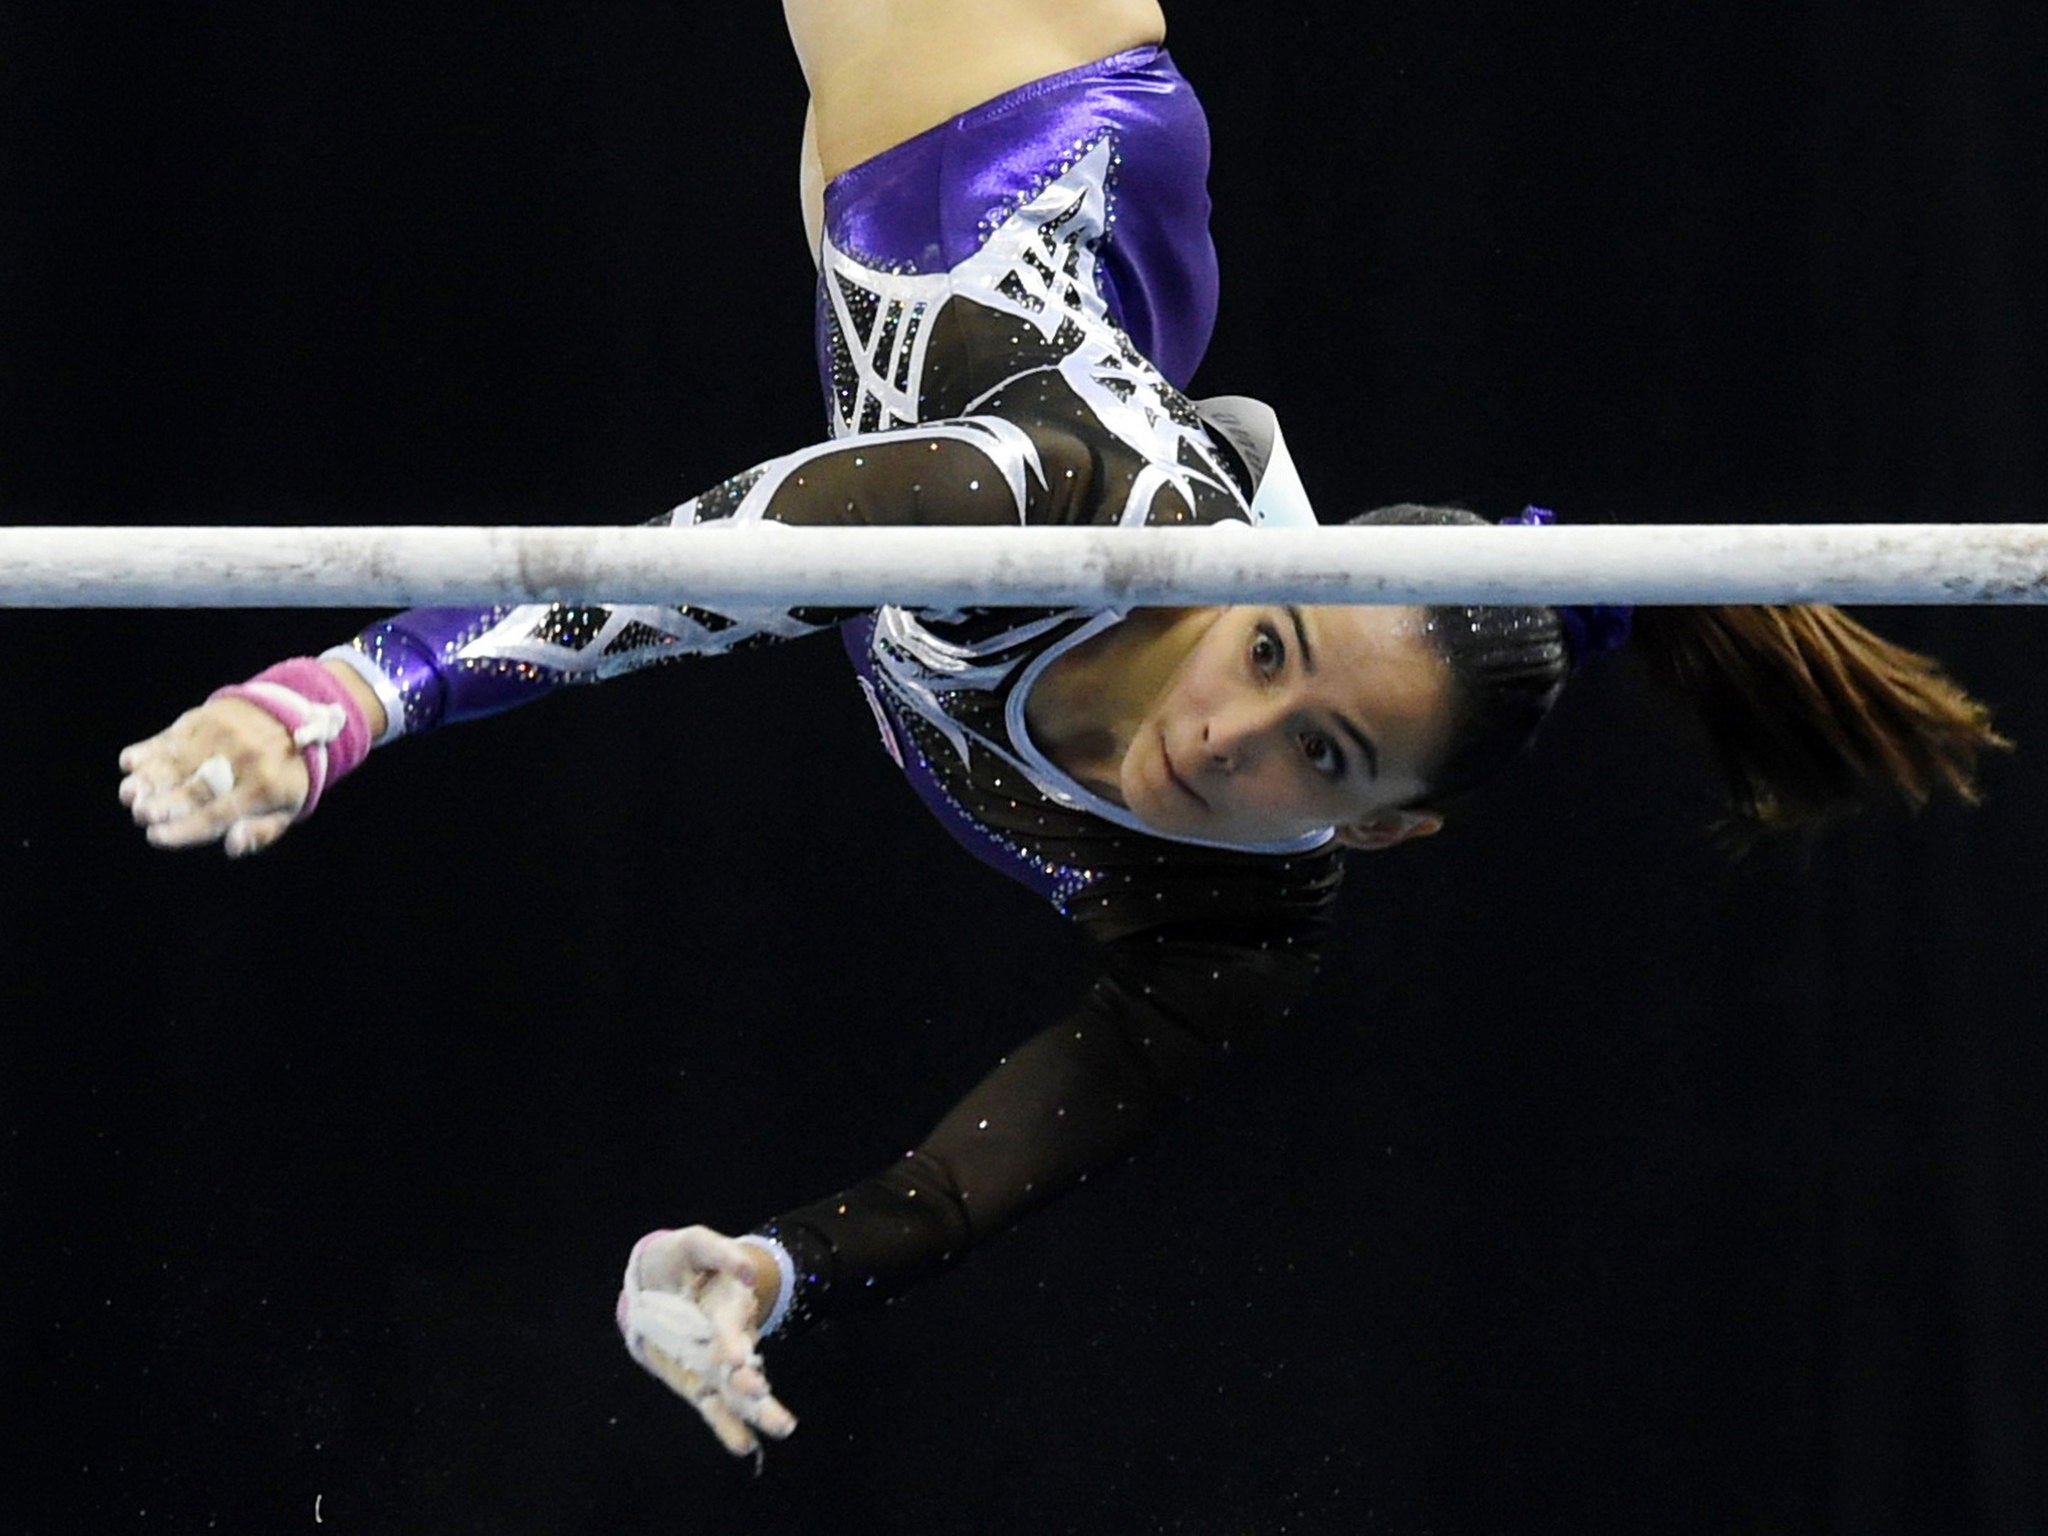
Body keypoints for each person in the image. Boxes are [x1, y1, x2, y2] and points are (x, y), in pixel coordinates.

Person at [112, 0, 2008, 1460]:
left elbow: (967, 1180)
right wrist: (346, 698)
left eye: (1323, 760)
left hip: (929, 265)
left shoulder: (1230, 935)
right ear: (1275, 573)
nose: (1228, 737)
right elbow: (698, 564)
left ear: (1380, 837)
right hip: (1009, 116)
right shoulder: (1082, 516)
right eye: (1271, 655)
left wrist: (769, 1271)